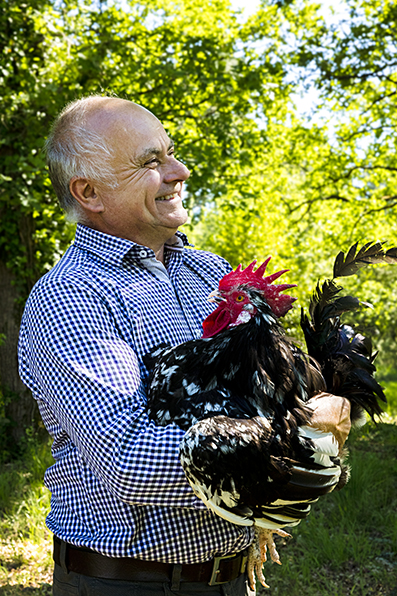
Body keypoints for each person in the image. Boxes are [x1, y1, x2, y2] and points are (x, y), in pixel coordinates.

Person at [18, 96, 255, 596]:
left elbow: (267, 395)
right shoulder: (70, 295)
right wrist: (292, 442)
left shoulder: (212, 274)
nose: (180, 171)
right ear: (89, 192)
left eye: (170, 153)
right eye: (151, 162)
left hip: (232, 578)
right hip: (127, 583)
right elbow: (131, 461)